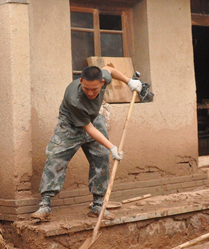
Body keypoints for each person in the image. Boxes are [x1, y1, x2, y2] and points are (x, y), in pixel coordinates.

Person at [31, 65, 142, 222]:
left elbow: (108, 69)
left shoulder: (102, 78)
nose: (90, 93)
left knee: (101, 159)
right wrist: (111, 146)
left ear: (102, 83)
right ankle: (45, 205)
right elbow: (88, 128)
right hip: (69, 125)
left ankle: (98, 206)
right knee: (55, 158)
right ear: (80, 81)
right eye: (86, 88)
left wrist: (129, 81)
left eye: (94, 89)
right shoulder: (74, 99)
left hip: (94, 120)